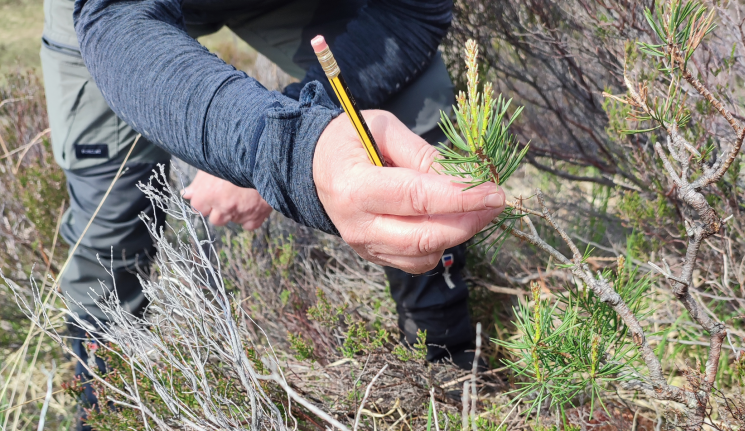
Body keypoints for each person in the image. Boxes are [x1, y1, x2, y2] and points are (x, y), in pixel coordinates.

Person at [41, 0, 504, 427]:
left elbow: (411, 12)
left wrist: (290, 144)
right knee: (109, 222)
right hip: (111, 15)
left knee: (411, 106)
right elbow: (115, 21)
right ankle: (103, 409)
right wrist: (275, 150)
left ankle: (444, 358)